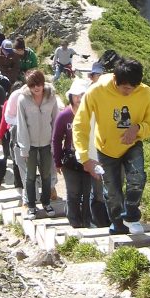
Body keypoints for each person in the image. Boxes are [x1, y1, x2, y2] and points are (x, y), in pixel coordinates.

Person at [72, 56, 150, 236]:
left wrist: (137, 128)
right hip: (105, 148)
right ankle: (118, 226)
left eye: (133, 88)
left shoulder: (145, 92)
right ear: (115, 80)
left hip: (132, 144)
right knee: (112, 192)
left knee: (137, 176)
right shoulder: (96, 91)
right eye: (126, 88)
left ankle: (132, 216)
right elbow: (80, 124)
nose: (129, 91)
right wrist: (84, 157)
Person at [52, 79, 108, 229]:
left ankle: (87, 221)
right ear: (71, 96)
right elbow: (56, 139)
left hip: (89, 159)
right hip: (70, 160)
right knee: (73, 192)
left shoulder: (94, 114)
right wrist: (57, 162)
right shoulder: (64, 116)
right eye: (76, 95)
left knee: (88, 191)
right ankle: (74, 222)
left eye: (83, 94)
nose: (79, 98)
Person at [16, 69, 60, 219]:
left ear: (43, 83)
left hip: (47, 143)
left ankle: (46, 202)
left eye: (39, 84)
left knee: (47, 175)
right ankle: (31, 205)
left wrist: (55, 144)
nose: (36, 87)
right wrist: (24, 148)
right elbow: (21, 125)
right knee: (30, 176)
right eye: (32, 85)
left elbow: (56, 121)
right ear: (28, 85)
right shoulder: (22, 100)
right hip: (31, 145)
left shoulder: (52, 97)